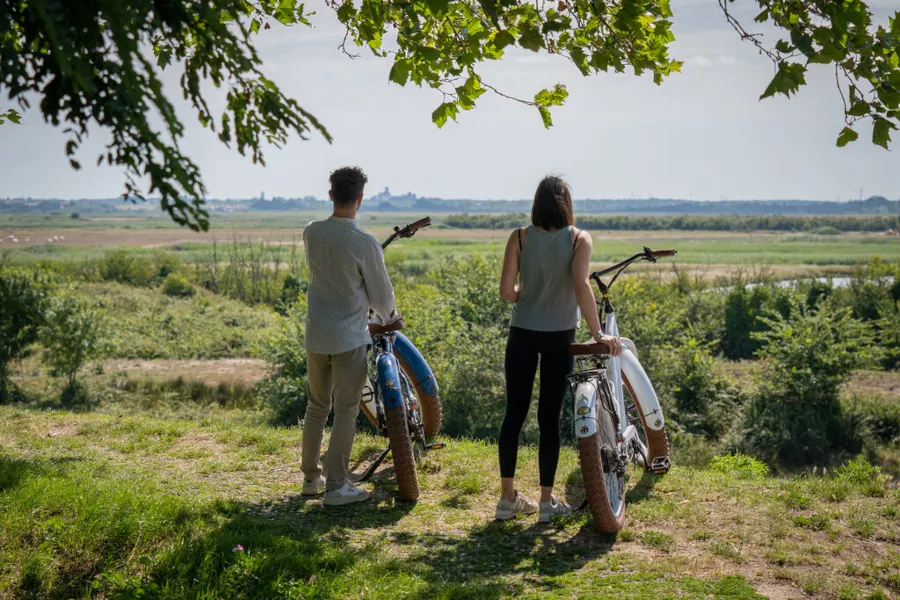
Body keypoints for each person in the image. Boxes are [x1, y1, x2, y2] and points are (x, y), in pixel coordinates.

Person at [495, 175, 622, 523]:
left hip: (522, 333)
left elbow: (506, 292)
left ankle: (506, 499)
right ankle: (546, 502)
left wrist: (527, 295)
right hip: (559, 337)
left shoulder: (519, 238)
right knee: (548, 419)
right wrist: (597, 332)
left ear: (536, 203)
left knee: (513, 415)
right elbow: (581, 286)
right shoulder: (580, 239)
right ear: (567, 204)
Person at [301, 166, 401, 506]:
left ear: (330, 194)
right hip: (349, 338)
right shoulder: (364, 243)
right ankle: (337, 486)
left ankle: (310, 478)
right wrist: (390, 318)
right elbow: (381, 297)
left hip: (316, 334)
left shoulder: (311, 232)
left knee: (317, 407)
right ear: (360, 199)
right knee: (345, 410)